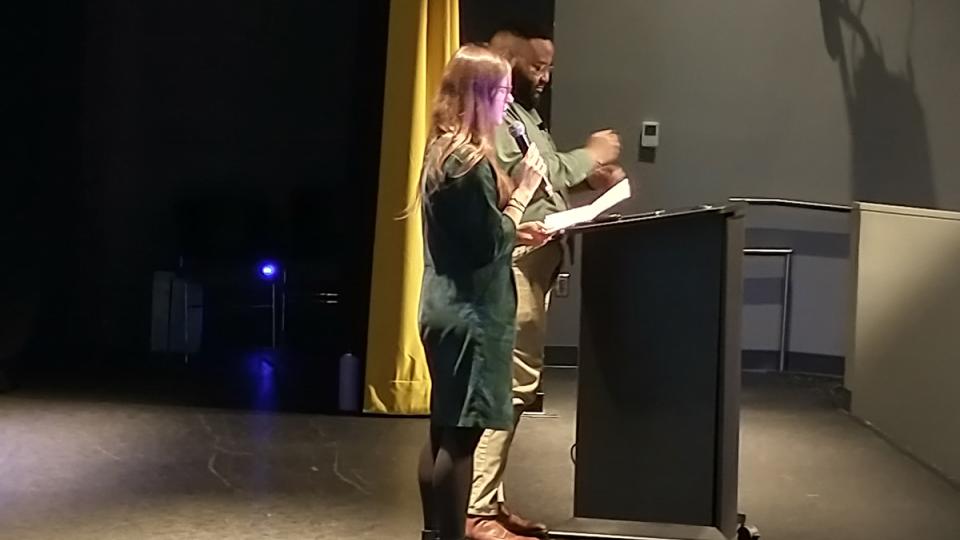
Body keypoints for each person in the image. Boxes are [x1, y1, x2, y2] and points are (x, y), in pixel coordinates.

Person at [465, 27, 627, 540]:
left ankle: (489, 502)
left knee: (516, 385)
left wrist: (584, 182)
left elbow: (546, 180)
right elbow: (537, 171)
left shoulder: (523, 115)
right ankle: (476, 510)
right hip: (513, 262)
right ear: (506, 59)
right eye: (537, 67)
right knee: (506, 387)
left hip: (534, 260)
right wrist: (592, 154)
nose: (545, 77)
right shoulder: (493, 119)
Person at [415, 44, 554, 540]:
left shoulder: (442, 151)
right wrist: (522, 195)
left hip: (443, 307)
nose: (506, 105)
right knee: (461, 437)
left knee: (442, 429)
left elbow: (473, 230)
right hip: (472, 315)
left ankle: (434, 533)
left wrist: (515, 229)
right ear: (479, 95)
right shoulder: (467, 162)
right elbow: (486, 244)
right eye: (501, 93)